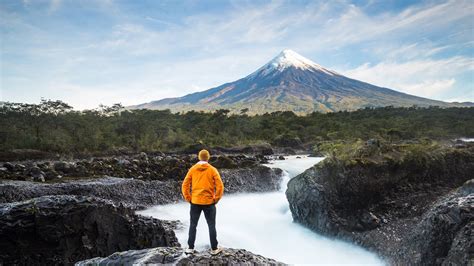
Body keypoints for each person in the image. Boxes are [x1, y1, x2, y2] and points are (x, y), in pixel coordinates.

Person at [182, 149, 224, 255]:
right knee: (211, 225)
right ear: (208, 157)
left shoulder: (192, 169)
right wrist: (216, 198)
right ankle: (214, 249)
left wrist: (188, 198)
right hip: (209, 202)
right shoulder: (212, 170)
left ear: (199, 157)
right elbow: (220, 186)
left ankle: (190, 248)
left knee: (193, 225)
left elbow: (185, 185)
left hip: (195, 201)